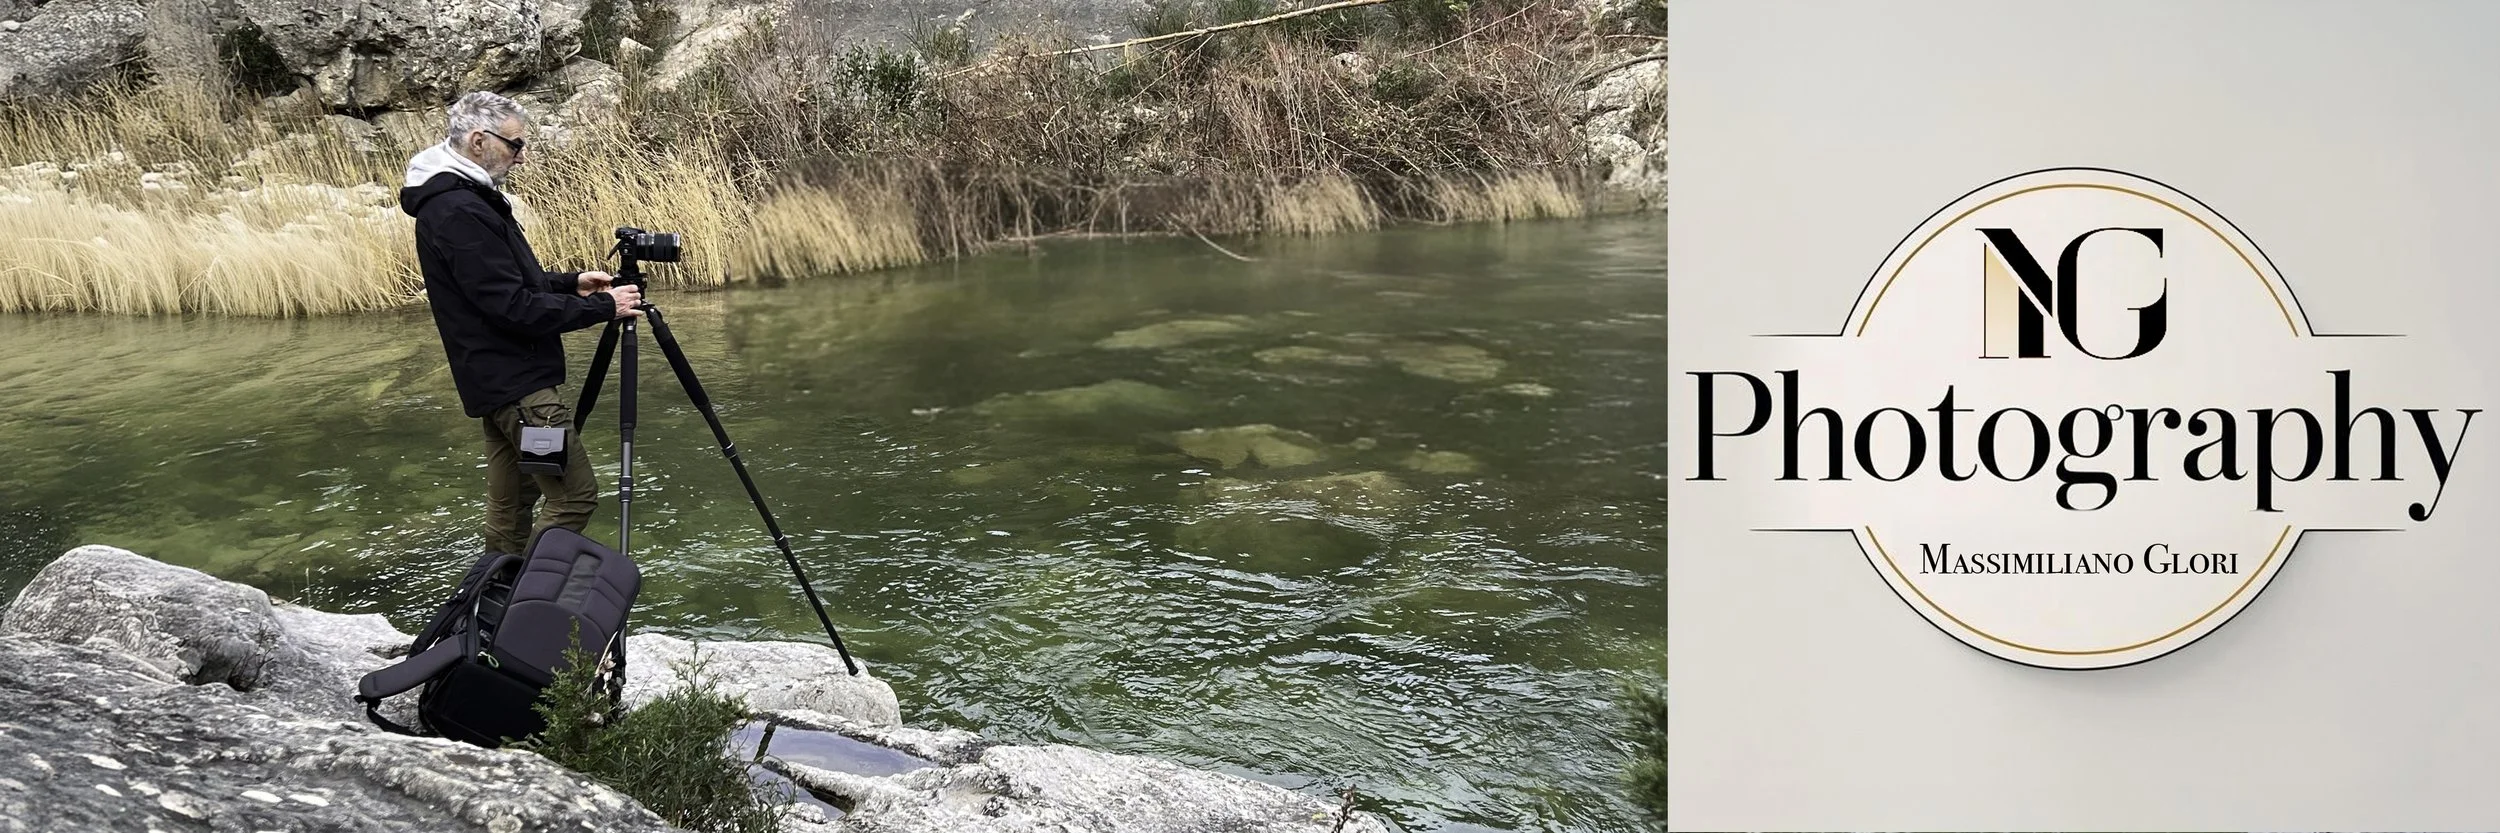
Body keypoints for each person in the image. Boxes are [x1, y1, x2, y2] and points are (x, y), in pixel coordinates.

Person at [398, 91, 643, 557]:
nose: (521, 157)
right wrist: (604, 308)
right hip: (523, 394)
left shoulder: (461, 198)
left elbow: (498, 285)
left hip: (498, 385)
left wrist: (570, 284)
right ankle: (526, 608)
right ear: (477, 141)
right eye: (515, 145)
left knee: (513, 506)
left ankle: (490, 607)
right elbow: (511, 307)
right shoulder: (458, 210)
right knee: (573, 496)